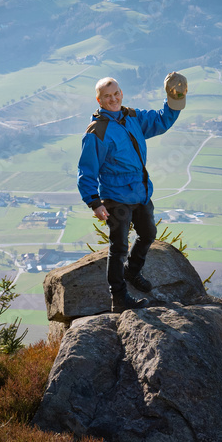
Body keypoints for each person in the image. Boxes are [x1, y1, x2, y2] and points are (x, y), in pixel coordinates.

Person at [77, 72, 188, 313]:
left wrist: (175, 100)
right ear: (99, 101)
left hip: (140, 193)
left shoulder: (132, 117)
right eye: (107, 96)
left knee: (148, 234)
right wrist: (94, 202)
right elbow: (86, 170)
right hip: (115, 197)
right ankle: (119, 298)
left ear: (122, 94)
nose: (113, 99)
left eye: (116, 93)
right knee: (119, 248)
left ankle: (132, 272)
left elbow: (161, 121)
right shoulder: (97, 131)